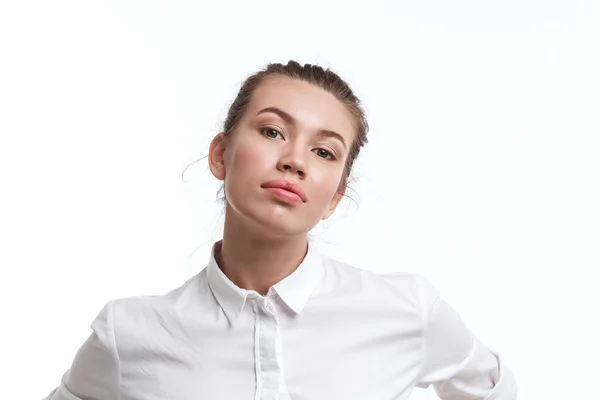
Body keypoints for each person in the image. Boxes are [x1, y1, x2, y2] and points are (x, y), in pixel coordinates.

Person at [44, 60, 517, 400]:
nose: (294, 160)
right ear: (220, 155)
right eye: (272, 132)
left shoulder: (407, 311)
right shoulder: (128, 334)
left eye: (325, 152)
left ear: (335, 196)